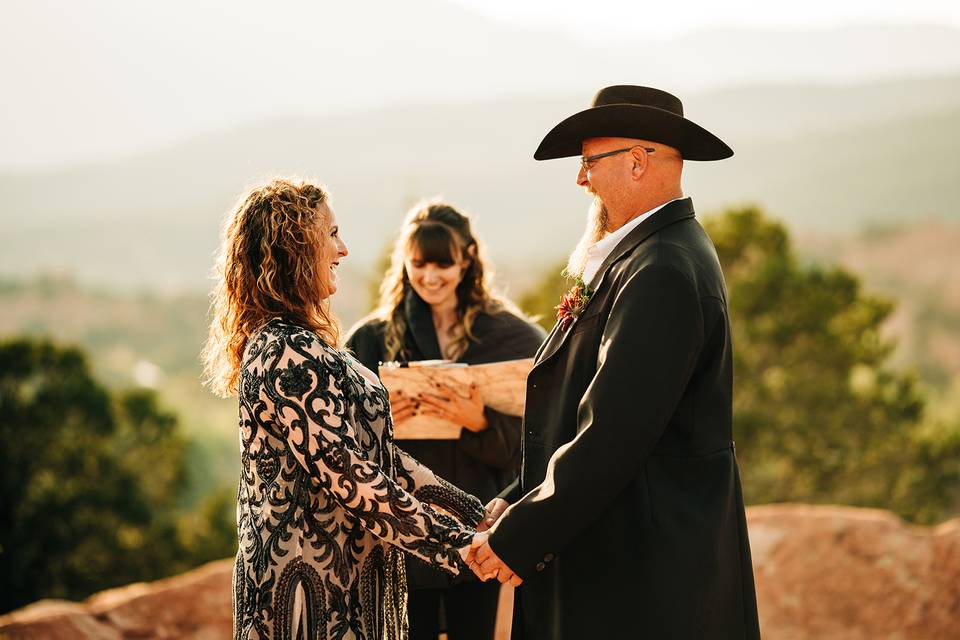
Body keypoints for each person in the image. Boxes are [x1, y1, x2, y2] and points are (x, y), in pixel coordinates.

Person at [466, 85, 762, 638]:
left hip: (643, 576)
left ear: (636, 161)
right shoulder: (650, 255)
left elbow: (613, 433)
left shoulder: (661, 270)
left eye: (589, 162)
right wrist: (518, 499)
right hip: (625, 558)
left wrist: (522, 535)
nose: (581, 179)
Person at [201, 179, 485, 640]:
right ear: (294, 249)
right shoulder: (285, 352)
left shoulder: (309, 344)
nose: (343, 249)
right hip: (306, 596)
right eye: (331, 234)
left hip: (346, 588)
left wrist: (472, 513)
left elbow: (381, 459)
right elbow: (349, 474)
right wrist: (461, 545)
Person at [346, 200, 546, 640]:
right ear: (404, 262)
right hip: (401, 533)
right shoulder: (370, 339)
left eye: (443, 263)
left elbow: (538, 441)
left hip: (477, 527)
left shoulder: (512, 337)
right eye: (419, 263)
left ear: (467, 259)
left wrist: (479, 422)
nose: (430, 276)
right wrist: (387, 421)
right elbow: (342, 443)